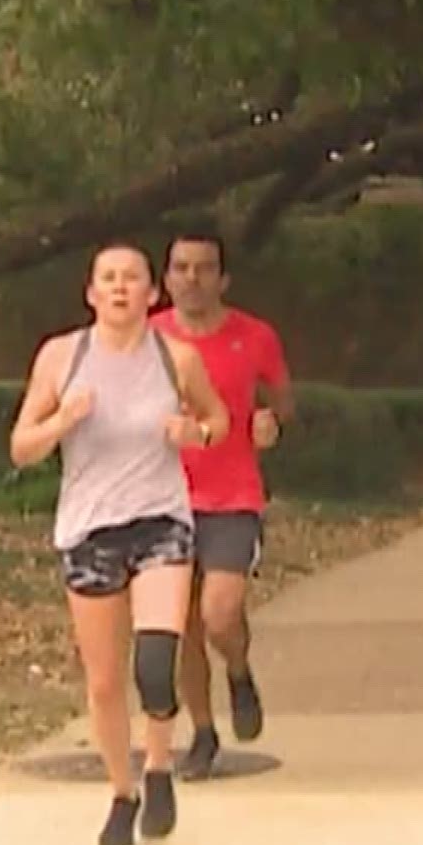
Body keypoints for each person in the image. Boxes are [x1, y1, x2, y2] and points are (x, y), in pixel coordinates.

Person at [10, 240, 230, 845]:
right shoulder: (62, 356)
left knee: (155, 663)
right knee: (106, 684)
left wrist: (196, 433)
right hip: (89, 528)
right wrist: (61, 423)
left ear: (151, 293)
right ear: (91, 293)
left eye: (132, 278)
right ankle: (122, 792)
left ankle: (159, 766)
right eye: (107, 277)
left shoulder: (176, 358)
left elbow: (220, 422)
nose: (120, 287)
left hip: (161, 519)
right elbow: (21, 446)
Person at [152, 228, 295, 780]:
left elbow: (283, 397)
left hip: (233, 494)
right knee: (181, 622)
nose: (192, 278)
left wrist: (271, 421)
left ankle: (238, 669)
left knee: (219, 612)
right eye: (182, 267)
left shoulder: (254, 336)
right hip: (164, 497)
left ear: (223, 278)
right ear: (166, 279)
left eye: (204, 268)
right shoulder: (148, 338)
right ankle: (204, 734)